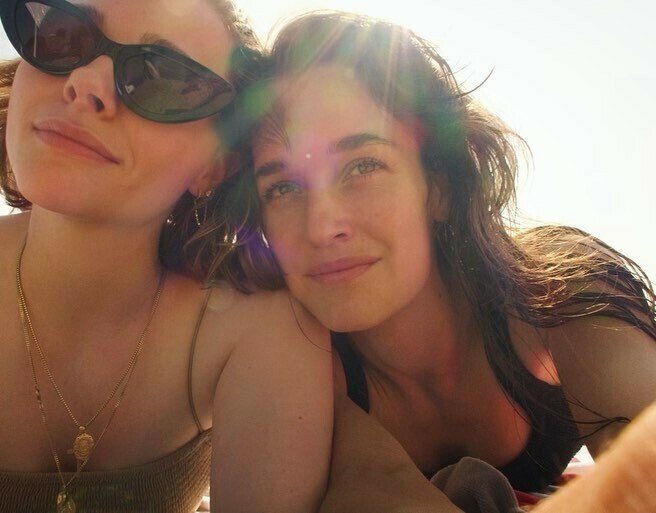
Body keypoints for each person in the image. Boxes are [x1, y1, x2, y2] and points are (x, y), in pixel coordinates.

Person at [0, 1, 333, 512]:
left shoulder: (257, 332)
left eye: (160, 77)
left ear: (214, 165)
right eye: (63, 35)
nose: (86, 84)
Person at [213, 9, 656, 508]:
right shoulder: (301, 359)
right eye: (283, 187)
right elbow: (380, 488)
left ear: (439, 187)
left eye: (363, 166)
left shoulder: (563, 291)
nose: (321, 226)